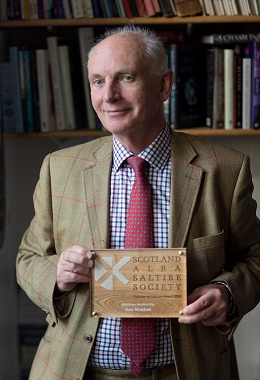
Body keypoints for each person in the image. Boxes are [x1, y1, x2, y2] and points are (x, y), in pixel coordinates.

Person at [16, 25, 260, 380]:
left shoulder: (226, 169)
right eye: (98, 81)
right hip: (76, 370)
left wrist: (227, 292)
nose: (109, 95)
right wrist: (56, 275)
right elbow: (27, 258)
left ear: (164, 85)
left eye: (125, 77)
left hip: (186, 370)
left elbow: (255, 256)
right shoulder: (60, 168)